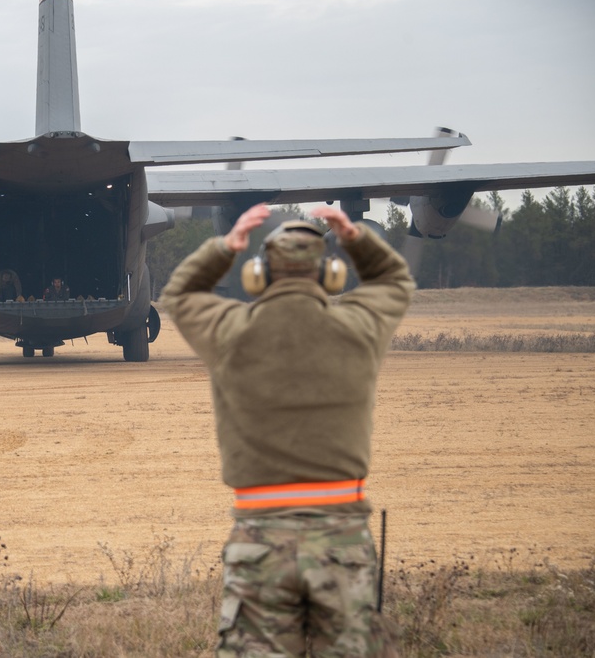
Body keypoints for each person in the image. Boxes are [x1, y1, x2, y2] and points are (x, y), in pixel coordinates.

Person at [160, 204, 413, 658]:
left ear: (258, 275)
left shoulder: (231, 331)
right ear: (330, 275)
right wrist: (357, 240)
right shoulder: (358, 327)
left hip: (260, 537)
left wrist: (224, 247)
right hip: (342, 537)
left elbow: (179, 295)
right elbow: (395, 281)